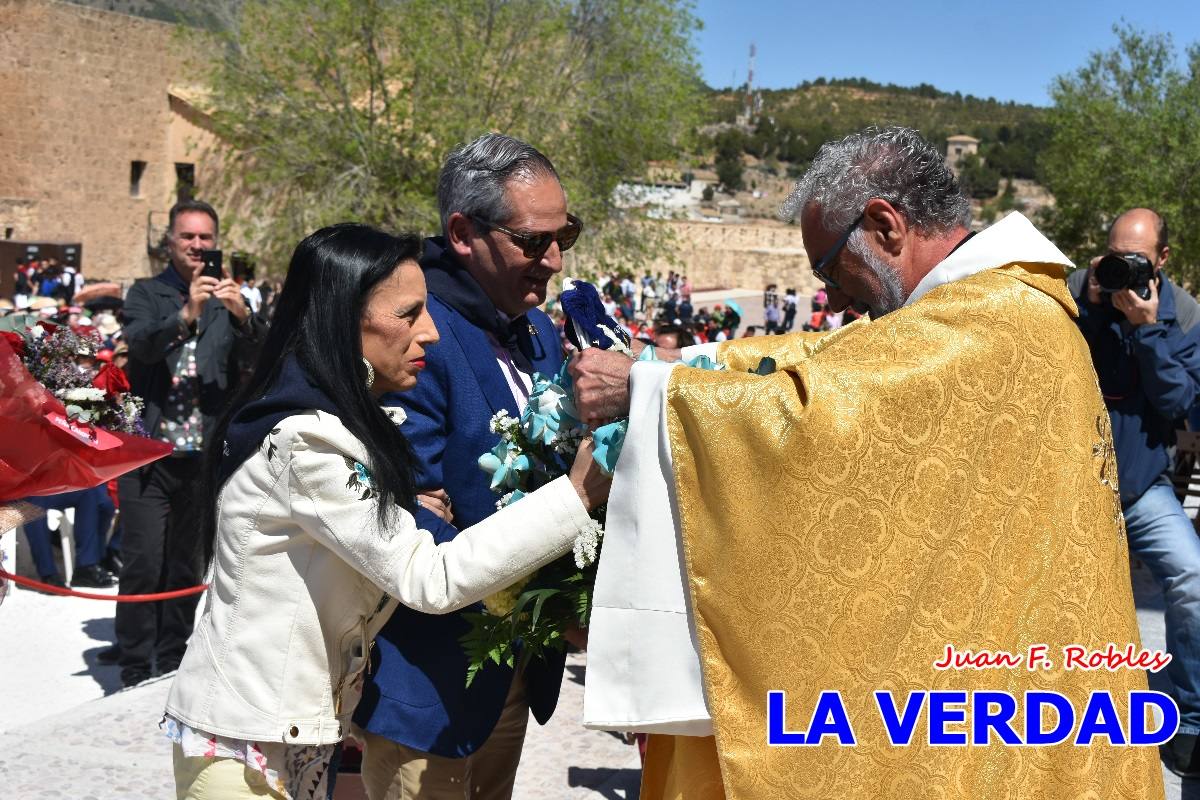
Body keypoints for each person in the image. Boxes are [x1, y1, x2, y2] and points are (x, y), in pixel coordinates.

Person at [571, 126, 1162, 799]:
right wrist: (679, 367)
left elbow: (816, 409)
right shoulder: (989, 310)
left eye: (829, 269)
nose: (837, 300)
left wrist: (648, 392)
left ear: (884, 225)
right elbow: (832, 359)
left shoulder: (988, 321)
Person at [164, 223, 609, 800]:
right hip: (245, 745)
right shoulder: (309, 443)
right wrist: (576, 495)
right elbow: (432, 577)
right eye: (408, 314)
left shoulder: (341, 428)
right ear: (344, 317)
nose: (430, 333)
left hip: (293, 733)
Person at [354, 134, 584, 800]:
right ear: (462, 232)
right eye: (535, 242)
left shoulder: (538, 331)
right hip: (427, 687)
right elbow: (414, 528)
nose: (556, 259)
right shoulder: (414, 336)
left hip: (513, 674)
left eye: (565, 234)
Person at [110, 199, 266, 688]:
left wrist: (242, 317)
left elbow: (263, 360)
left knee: (186, 564)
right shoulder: (146, 293)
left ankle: (171, 658)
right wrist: (187, 313)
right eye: (188, 237)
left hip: (203, 458)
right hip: (148, 455)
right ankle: (134, 662)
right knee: (141, 561)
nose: (198, 246)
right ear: (170, 243)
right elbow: (141, 346)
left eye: (205, 238)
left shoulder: (228, 299)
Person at [1068, 207, 1200, 777]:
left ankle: (1191, 719)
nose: (1123, 267)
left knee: (1193, 577)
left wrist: (1148, 332)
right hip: (1073, 481)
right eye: (1115, 253)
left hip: (1143, 483)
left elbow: (1178, 404)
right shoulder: (1076, 297)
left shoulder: (1185, 316)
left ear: (1162, 260)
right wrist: (1093, 310)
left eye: (1137, 260)